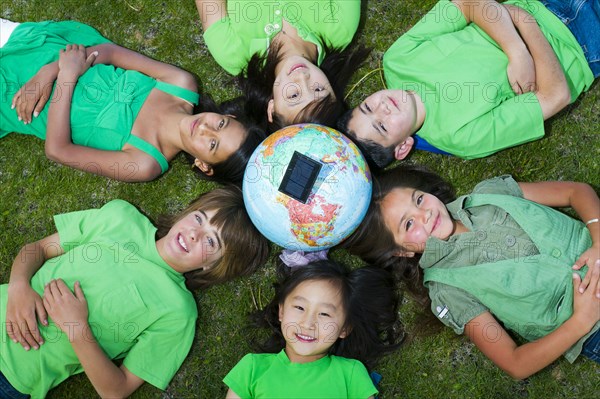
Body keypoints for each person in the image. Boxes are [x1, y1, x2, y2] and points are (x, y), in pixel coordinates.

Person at [0, 186, 270, 398]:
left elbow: (116, 390)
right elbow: (39, 249)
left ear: (214, 265)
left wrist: (76, 327)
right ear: (187, 211)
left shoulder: (178, 312)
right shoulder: (119, 216)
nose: (194, 234)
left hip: (12, 376)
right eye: (199, 218)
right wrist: (19, 285)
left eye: (211, 241)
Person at [343, 164, 600, 379]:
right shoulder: (448, 291)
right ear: (401, 252)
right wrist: (581, 322)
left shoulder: (490, 193)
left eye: (419, 199)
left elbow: (574, 192)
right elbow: (515, 363)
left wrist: (598, 239)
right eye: (408, 224)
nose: (425, 214)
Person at [338, 0, 598, 169]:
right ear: (403, 146)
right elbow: (556, 95)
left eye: (367, 107)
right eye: (382, 126)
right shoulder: (461, 137)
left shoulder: (397, 60)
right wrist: (524, 22)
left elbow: (468, 4)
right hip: (583, 44)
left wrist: (517, 49)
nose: (382, 107)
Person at [1, 19, 266, 184]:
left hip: (16, 98)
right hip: (41, 50)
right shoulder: (182, 85)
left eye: (212, 144)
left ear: (204, 165)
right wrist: (50, 70)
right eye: (220, 124)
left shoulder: (144, 163)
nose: (206, 128)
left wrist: (66, 77)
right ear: (228, 116)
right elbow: (112, 53)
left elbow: (59, 150)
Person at [223, 260, 403, 398]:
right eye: (300, 308)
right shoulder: (252, 368)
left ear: (344, 329)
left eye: (324, 314)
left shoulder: (352, 373)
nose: (308, 323)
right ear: (282, 311)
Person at [196, 0, 370, 133]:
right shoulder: (341, 27)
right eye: (318, 89)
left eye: (294, 94)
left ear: (272, 108)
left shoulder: (232, 54)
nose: (302, 77)